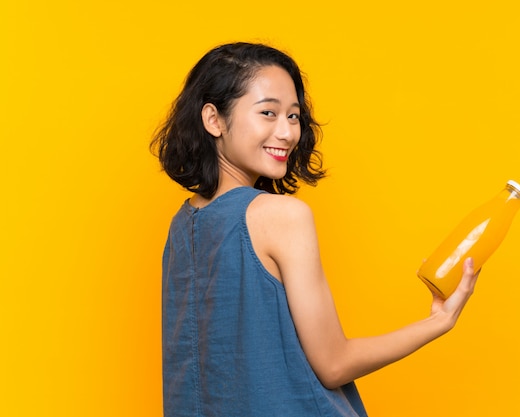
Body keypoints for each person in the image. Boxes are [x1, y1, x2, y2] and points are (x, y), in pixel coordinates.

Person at [151, 42, 479, 417]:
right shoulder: (282, 216)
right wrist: (439, 322)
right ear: (214, 120)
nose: (288, 132)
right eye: (268, 112)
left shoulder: (182, 226)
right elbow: (333, 363)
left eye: (293, 116)